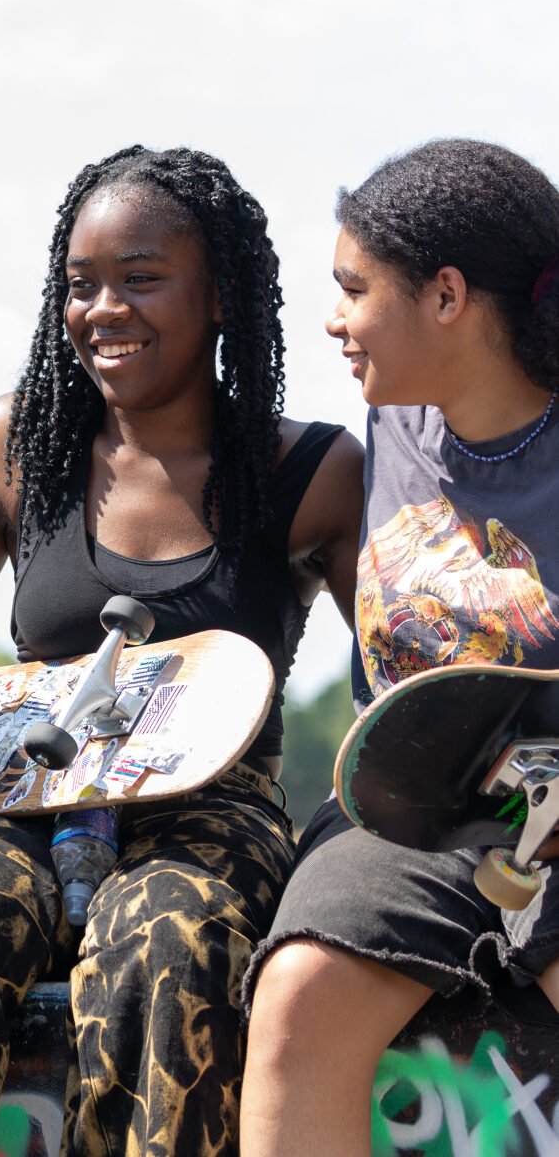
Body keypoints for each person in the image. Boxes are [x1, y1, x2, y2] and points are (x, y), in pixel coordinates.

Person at [0, 144, 363, 1157]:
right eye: (80, 284)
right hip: (19, 797)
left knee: (168, 936)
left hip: (213, 810)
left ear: (223, 294)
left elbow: (405, 661)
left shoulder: (311, 471)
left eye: (141, 277)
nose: (102, 307)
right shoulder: (14, 446)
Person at [240, 138, 559, 1157]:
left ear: (449, 296)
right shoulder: (396, 423)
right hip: (409, 808)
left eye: (353, 288)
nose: (332, 318)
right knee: (298, 991)